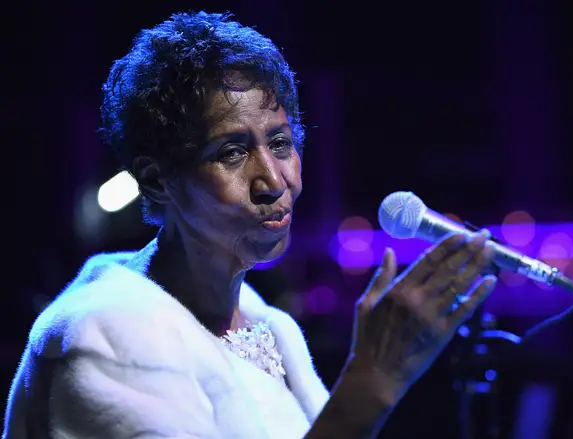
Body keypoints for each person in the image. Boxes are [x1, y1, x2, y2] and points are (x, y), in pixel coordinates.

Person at [2, 11, 497, 439]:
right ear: (156, 182)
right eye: (232, 152)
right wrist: (372, 383)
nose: (273, 180)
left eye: (280, 143)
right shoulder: (106, 336)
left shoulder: (269, 328)